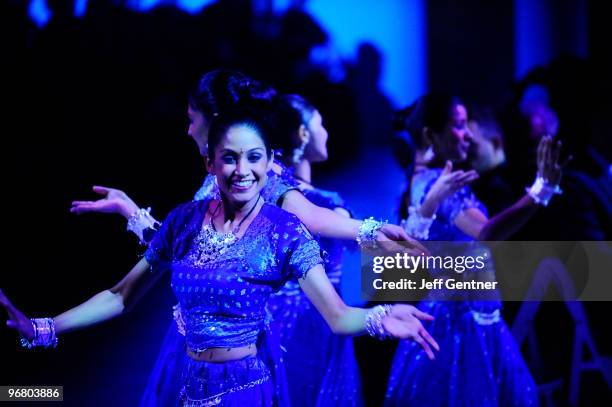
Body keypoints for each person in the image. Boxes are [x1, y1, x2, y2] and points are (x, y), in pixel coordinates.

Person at [1, 108, 439, 406]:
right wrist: (44, 327)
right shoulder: (183, 222)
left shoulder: (282, 231)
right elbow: (120, 296)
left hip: (247, 390)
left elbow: (339, 316)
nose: (241, 170)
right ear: (210, 164)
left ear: (271, 165)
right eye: (228, 158)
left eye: (253, 158)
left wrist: (382, 317)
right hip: (188, 387)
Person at [385, 93, 565, 406]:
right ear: (431, 135)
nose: (468, 133)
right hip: (459, 327)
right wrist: (540, 190)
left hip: (472, 317)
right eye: (458, 126)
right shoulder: (435, 185)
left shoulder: (434, 181)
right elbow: (486, 232)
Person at [267, 94, 362, 406]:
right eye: (321, 124)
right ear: (304, 134)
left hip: (271, 322)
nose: (327, 132)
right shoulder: (325, 203)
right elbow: (362, 246)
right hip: (318, 319)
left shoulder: (263, 197)